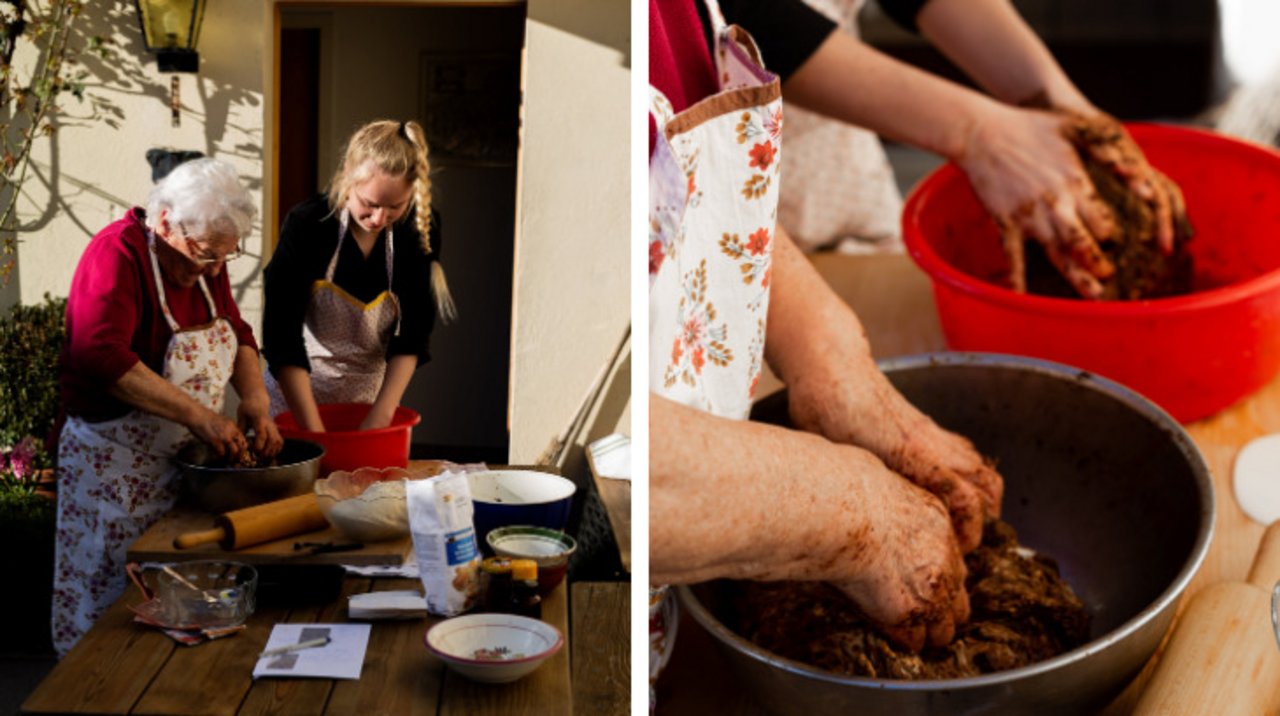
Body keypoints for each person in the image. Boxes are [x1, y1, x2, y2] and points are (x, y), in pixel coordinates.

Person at [54, 157, 283, 656]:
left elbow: (238, 332)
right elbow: (98, 354)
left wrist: (257, 400)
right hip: (111, 468)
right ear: (164, 223)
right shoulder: (118, 253)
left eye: (227, 257)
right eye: (205, 255)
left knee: (175, 600)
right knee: (109, 602)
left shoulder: (205, 261)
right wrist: (200, 415)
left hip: (178, 465)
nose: (216, 269)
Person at [262, 119, 451, 432]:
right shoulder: (309, 224)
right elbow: (282, 336)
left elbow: (413, 336)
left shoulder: (417, 230)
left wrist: (381, 417)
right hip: (293, 401)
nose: (379, 218)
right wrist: (314, 431)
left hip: (365, 405)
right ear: (348, 177)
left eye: (395, 206)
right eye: (369, 204)